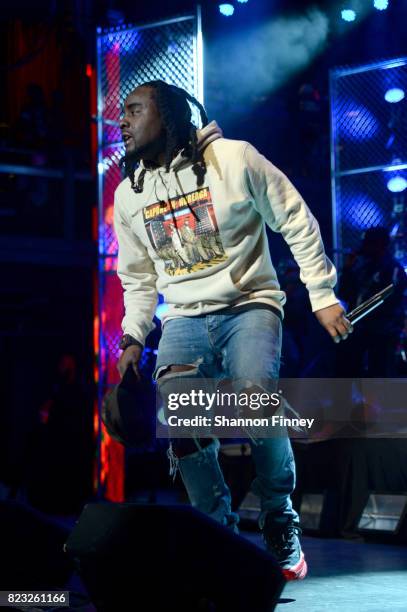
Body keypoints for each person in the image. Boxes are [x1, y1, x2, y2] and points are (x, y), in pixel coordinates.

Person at [114, 80, 351, 581]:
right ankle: (216, 531)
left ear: (170, 114)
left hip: (250, 305)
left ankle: (278, 517)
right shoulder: (129, 195)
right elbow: (137, 277)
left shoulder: (235, 159)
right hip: (182, 317)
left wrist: (322, 295)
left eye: (134, 110)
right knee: (182, 423)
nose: (123, 121)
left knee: (254, 398)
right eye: (122, 113)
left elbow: (295, 219)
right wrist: (133, 336)